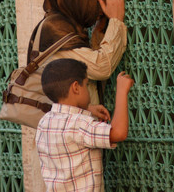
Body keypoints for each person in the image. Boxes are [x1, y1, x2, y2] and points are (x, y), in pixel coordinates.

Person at [29, 0, 127, 106]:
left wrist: (99, 31)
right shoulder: (56, 30)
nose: (101, 8)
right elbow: (101, 67)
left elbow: (82, 65)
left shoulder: (63, 24)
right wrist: (116, 20)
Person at [36, 58, 135, 191]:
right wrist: (122, 92)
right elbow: (118, 132)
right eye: (86, 85)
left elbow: (66, 120)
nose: (88, 91)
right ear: (76, 87)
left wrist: (87, 109)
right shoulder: (80, 124)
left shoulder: (44, 121)